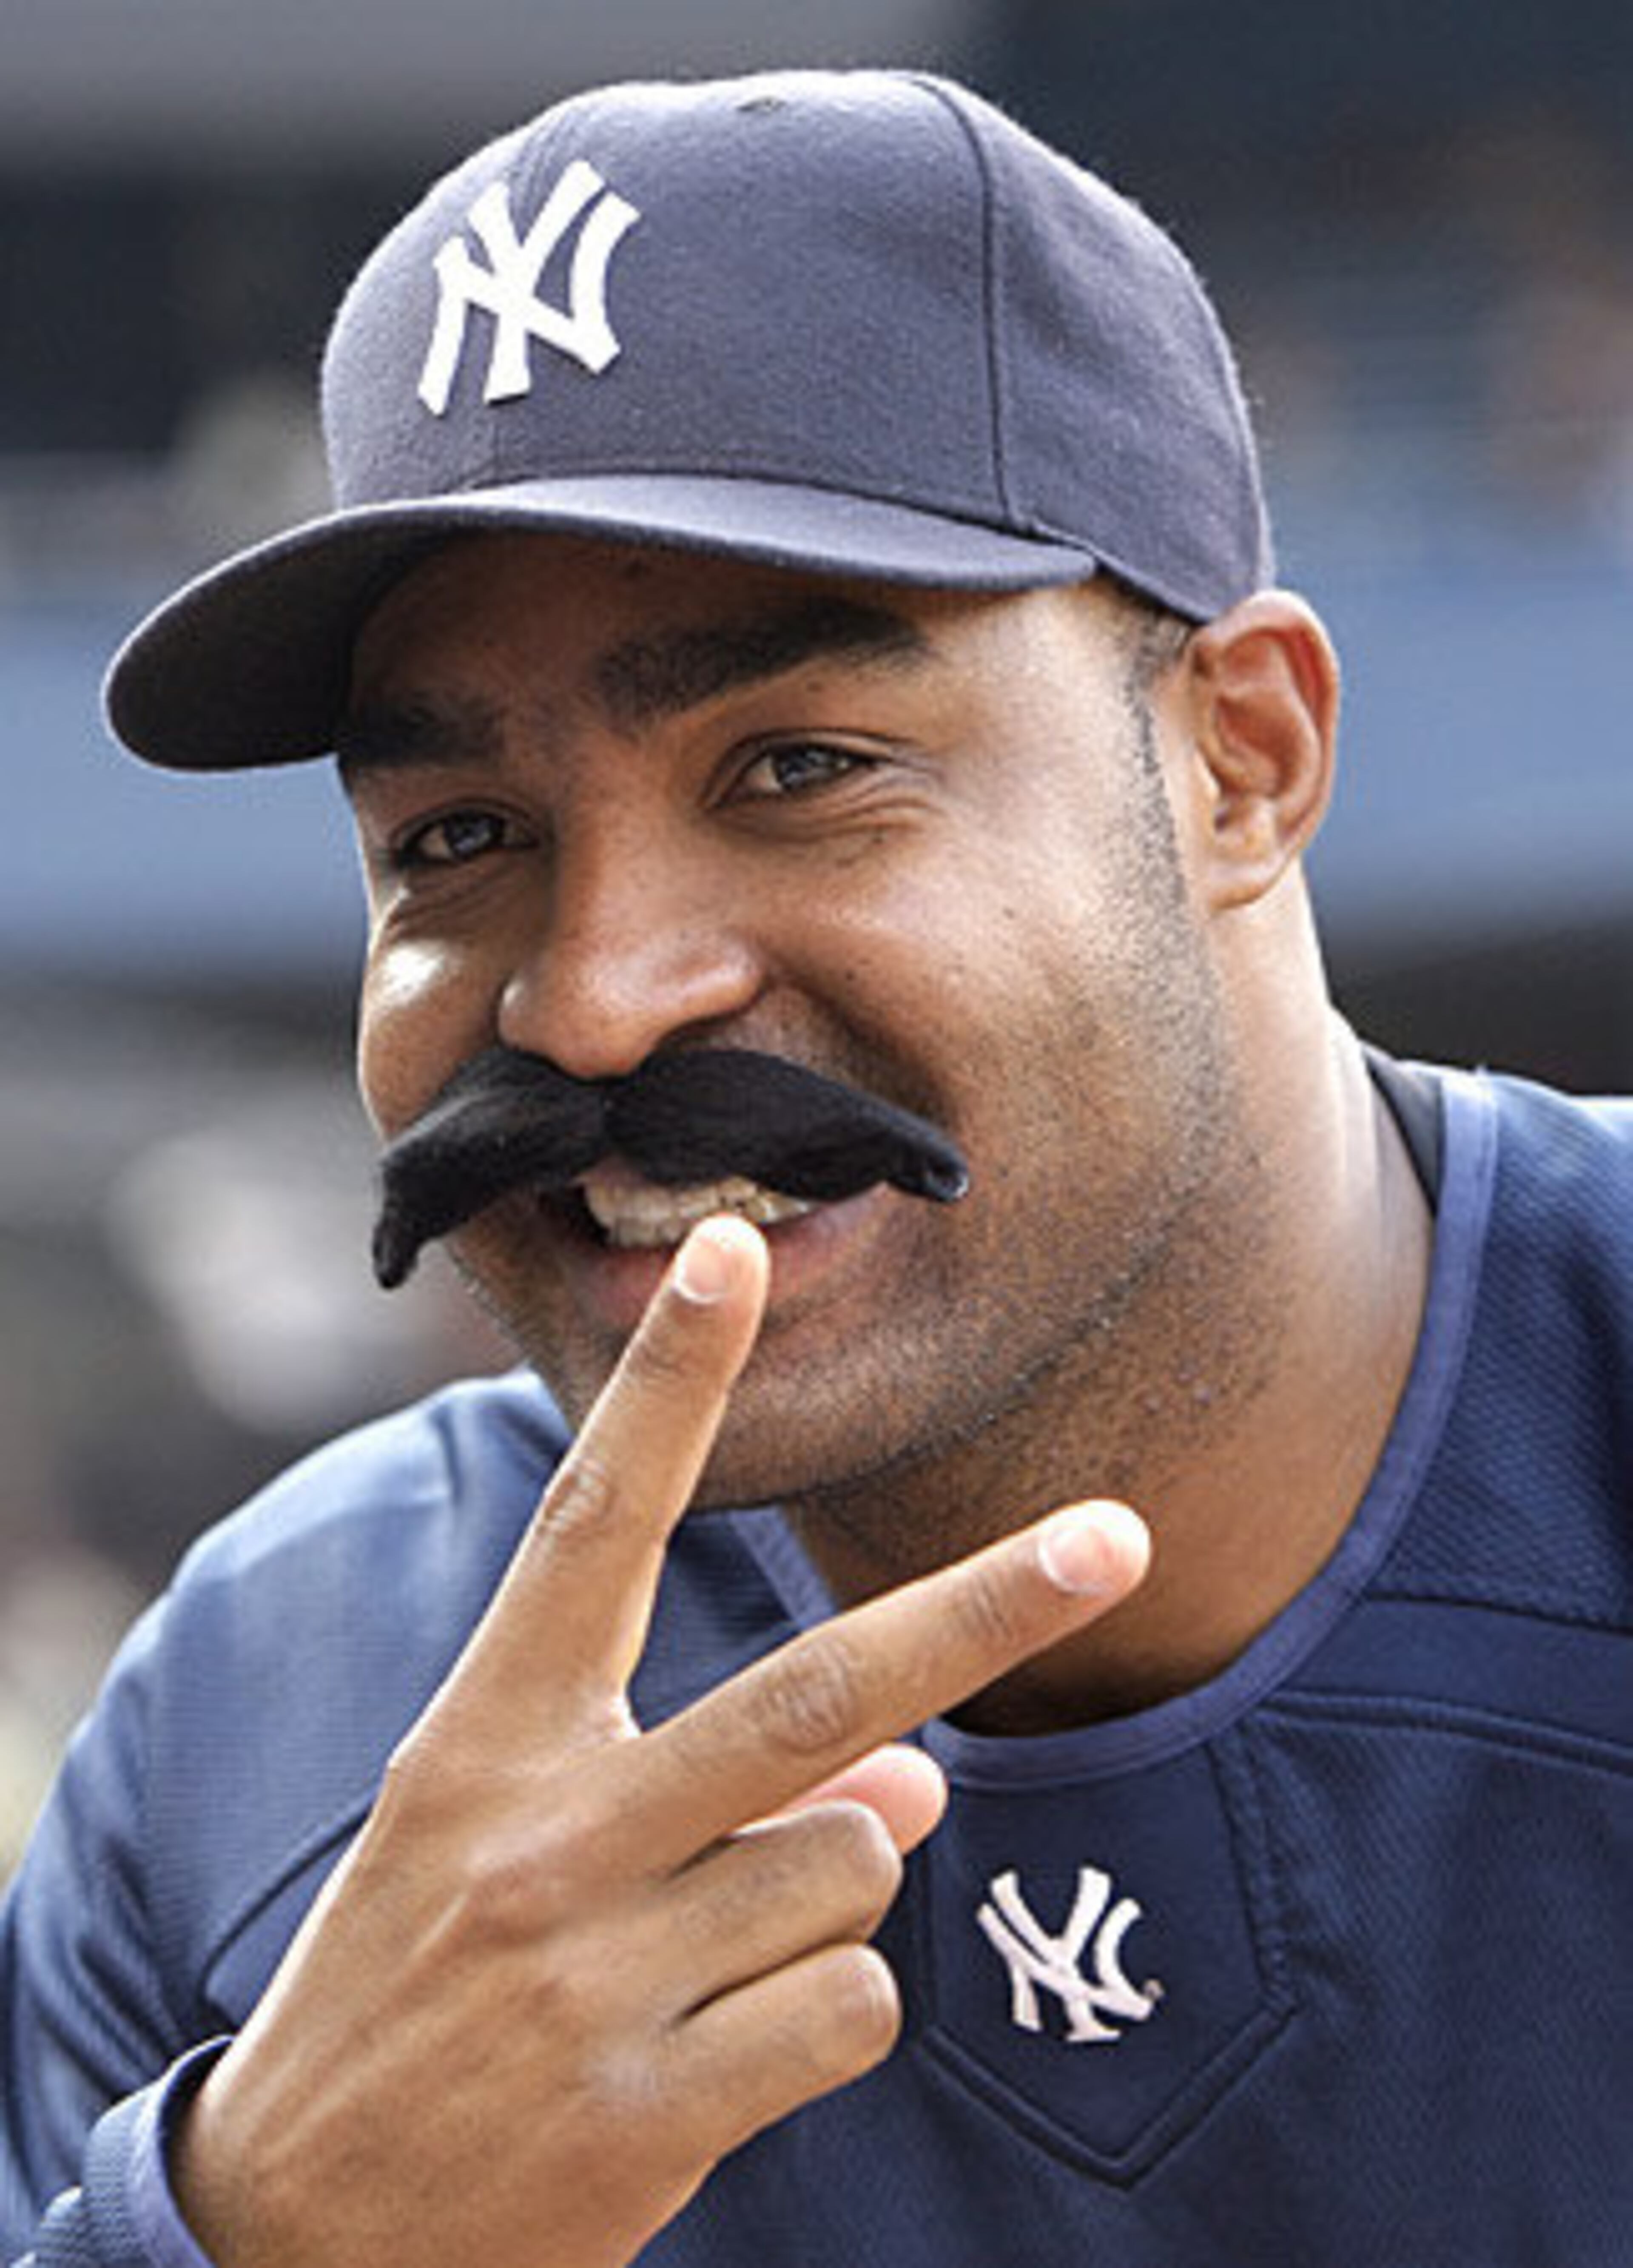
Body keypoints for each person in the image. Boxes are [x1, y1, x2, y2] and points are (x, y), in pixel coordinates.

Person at [4, 65, 1632, 2268]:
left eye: (798, 764)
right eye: (457, 839)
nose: (592, 1001)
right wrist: (263, 2236)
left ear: (1243, 759)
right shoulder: (264, 1731)